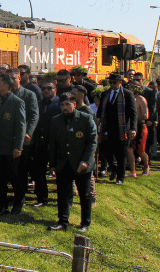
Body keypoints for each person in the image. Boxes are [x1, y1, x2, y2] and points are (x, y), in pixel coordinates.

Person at [48, 92, 96, 233]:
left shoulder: (86, 119)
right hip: (63, 163)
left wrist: (86, 161)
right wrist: (52, 165)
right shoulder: (56, 120)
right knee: (63, 194)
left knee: (84, 194)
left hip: (81, 164)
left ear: (74, 104)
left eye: (68, 104)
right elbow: (53, 145)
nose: (65, 107)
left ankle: (85, 223)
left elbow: (92, 142)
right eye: (62, 105)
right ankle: (63, 221)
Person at [0, 74, 26, 214]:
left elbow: (20, 126)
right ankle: (3, 205)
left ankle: (18, 202)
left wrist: (18, 146)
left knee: (14, 176)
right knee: (0, 177)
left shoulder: (17, 102)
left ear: (7, 86)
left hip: (11, 147)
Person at [8, 67, 38, 214]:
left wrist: (29, 133)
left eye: (14, 78)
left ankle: (20, 199)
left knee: (20, 171)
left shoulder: (29, 95)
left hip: (23, 140)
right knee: (9, 171)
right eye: (9, 78)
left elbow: (34, 116)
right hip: (6, 139)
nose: (11, 81)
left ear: (19, 78)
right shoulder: (4, 95)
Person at [97, 73, 136, 184]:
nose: (112, 84)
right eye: (111, 82)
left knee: (121, 154)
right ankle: (114, 168)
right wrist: (98, 118)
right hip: (107, 127)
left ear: (120, 82)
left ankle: (120, 177)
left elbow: (133, 113)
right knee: (104, 149)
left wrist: (133, 128)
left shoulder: (128, 94)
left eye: (114, 82)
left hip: (123, 128)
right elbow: (100, 110)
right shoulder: (105, 94)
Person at [30, 82, 60, 206]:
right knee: (39, 171)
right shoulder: (39, 104)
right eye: (43, 88)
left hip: (56, 143)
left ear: (55, 90)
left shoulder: (59, 103)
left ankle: (62, 199)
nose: (46, 90)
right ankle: (42, 198)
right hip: (40, 142)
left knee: (60, 173)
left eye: (49, 88)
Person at [128, 83, 150, 177]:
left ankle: (146, 166)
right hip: (131, 127)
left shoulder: (141, 99)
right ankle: (133, 170)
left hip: (141, 126)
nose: (130, 89)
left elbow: (145, 115)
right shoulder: (129, 99)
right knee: (129, 149)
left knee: (140, 149)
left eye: (132, 88)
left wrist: (134, 119)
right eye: (130, 87)